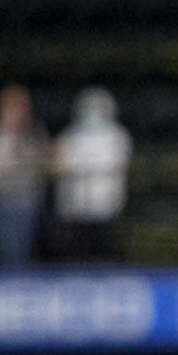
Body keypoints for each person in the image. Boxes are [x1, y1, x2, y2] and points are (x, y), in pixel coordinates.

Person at [50, 87, 131, 262]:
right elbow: (61, 166)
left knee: (104, 254)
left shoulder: (117, 135)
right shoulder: (69, 135)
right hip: (76, 209)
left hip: (105, 208)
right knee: (78, 255)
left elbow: (115, 164)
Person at [0, 85, 48, 268]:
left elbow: (43, 162)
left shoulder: (34, 134)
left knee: (24, 253)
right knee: (6, 252)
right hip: (2, 201)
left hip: (27, 202)